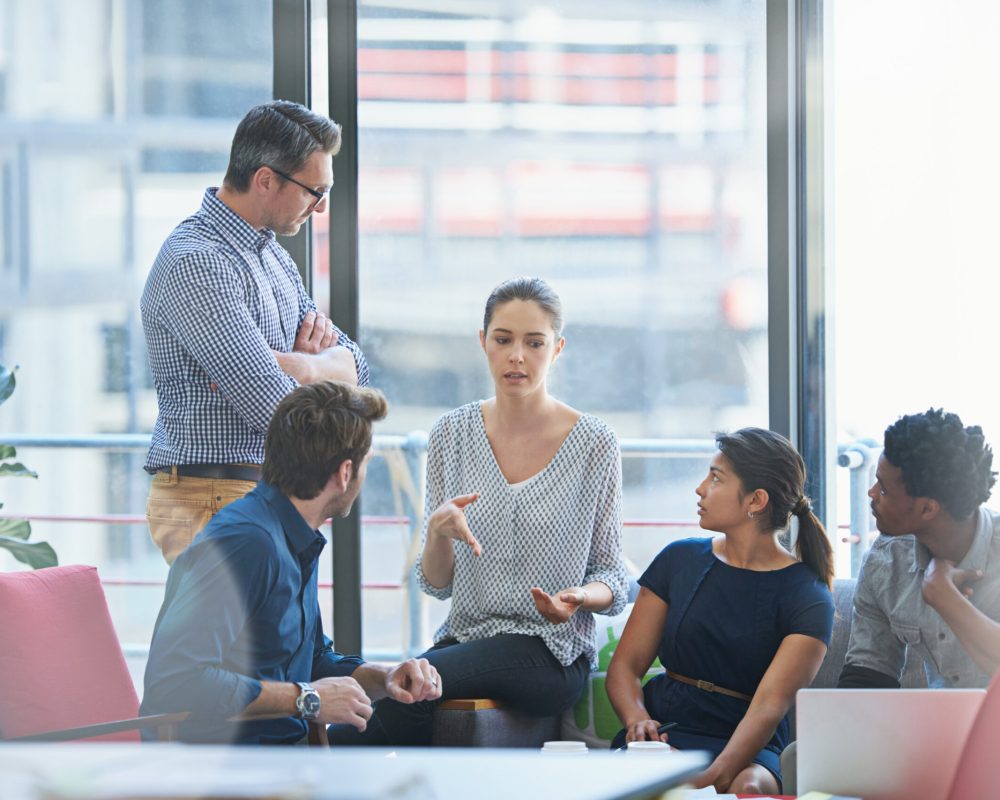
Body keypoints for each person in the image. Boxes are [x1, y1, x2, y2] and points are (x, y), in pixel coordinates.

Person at [329, 277, 629, 746]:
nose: (517, 356)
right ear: (482, 341)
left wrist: (577, 598)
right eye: (503, 339)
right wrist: (435, 534)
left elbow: (613, 574)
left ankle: (317, 757)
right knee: (412, 693)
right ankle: (327, 764)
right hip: (466, 643)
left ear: (558, 348)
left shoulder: (594, 443)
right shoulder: (451, 433)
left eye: (535, 343)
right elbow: (437, 583)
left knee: (406, 685)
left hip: (551, 653)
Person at [140, 381, 441, 744]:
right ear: (345, 473)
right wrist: (307, 698)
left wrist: (385, 677)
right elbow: (176, 682)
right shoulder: (246, 542)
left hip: (284, 761)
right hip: (222, 770)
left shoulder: (294, 533)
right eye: (366, 464)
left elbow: (308, 659)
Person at [141, 100, 369, 564]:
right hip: (214, 496)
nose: (321, 208)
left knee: (282, 639)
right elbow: (274, 410)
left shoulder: (272, 257)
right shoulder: (198, 263)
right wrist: (317, 379)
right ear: (265, 180)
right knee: (240, 640)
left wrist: (301, 366)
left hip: (259, 493)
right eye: (313, 191)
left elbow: (358, 367)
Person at [607, 428, 834, 794]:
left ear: (755, 500)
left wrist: (714, 775)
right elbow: (624, 668)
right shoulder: (677, 559)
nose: (700, 488)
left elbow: (768, 707)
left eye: (716, 478)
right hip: (665, 730)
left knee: (751, 787)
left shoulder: (808, 595)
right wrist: (639, 723)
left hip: (748, 744)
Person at [839, 408, 1000, 689]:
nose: (871, 493)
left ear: (928, 508)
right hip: (939, 727)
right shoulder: (885, 561)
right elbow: (867, 674)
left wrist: (945, 598)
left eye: (884, 489)